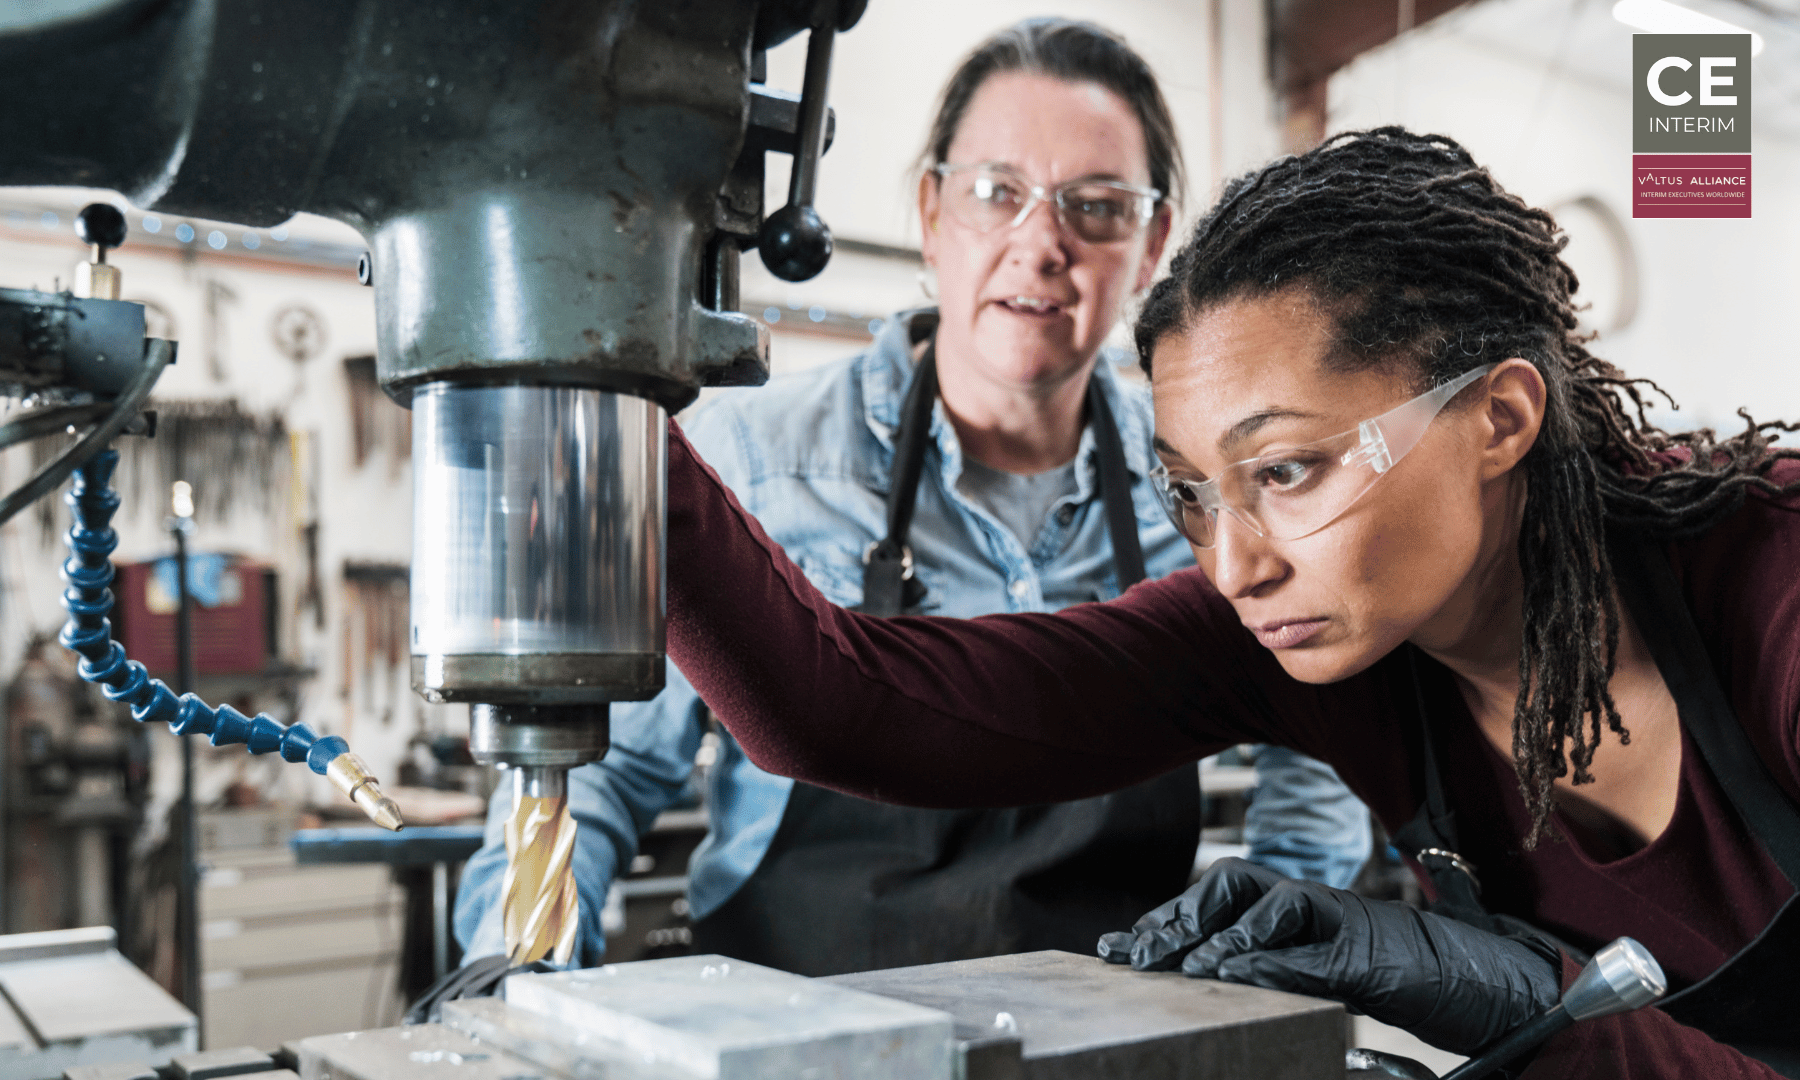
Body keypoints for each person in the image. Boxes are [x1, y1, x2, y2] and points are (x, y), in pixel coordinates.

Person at [658, 127, 1800, 1077]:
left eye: (1290, 469)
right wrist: (592, 394)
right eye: (1193, 494)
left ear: (1499, 417)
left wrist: (1520, 999)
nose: (1235, 564)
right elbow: (847, 709)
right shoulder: (1316, 627)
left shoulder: (1776, 589)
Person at [455, 18, 1371, 975]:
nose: (1041, 244)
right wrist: (519, 978)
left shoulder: (1202, 495)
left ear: (1151, 249)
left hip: (1116, 1040)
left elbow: (1316, 759)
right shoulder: (750, 465)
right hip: (794, 1034)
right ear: (931, 216)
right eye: (995, 194)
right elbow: (598, 778)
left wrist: (1266, 985)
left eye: (1095, 207)